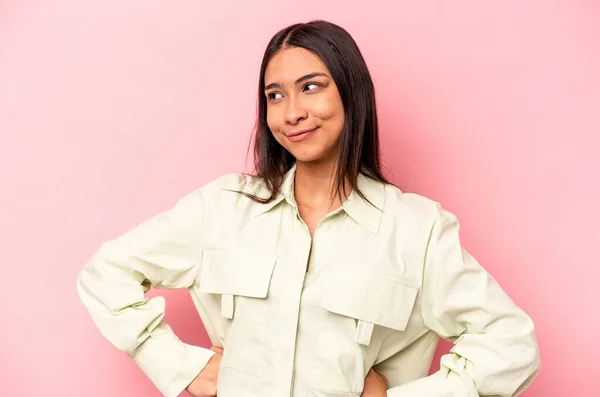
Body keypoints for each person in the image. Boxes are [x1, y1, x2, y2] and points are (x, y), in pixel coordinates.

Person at [76, 20, 540, 397]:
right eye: (275, 95)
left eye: (311, 87)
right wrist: (180, 367)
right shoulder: (222, 207)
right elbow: (106, 273)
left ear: (350, 92)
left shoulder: (416, 230)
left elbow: (512, 345)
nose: (290, 111)